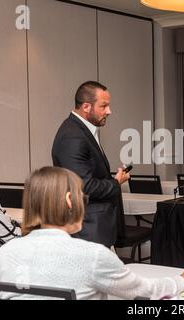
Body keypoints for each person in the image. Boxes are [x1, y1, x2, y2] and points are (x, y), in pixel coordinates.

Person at [0, 167, 184, 300]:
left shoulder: (7, 253)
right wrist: (183, 280)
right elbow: (147, 292)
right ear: (69, 201)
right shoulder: (92, 255)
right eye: (83, 198)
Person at [52, 81, 128, 248]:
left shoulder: (81, 130)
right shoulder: (73, 136)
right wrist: (116, 182)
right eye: (104, 106)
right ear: (86, 107)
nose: (109, 111)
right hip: (87, 226)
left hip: (93, 224)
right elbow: (84, 186)